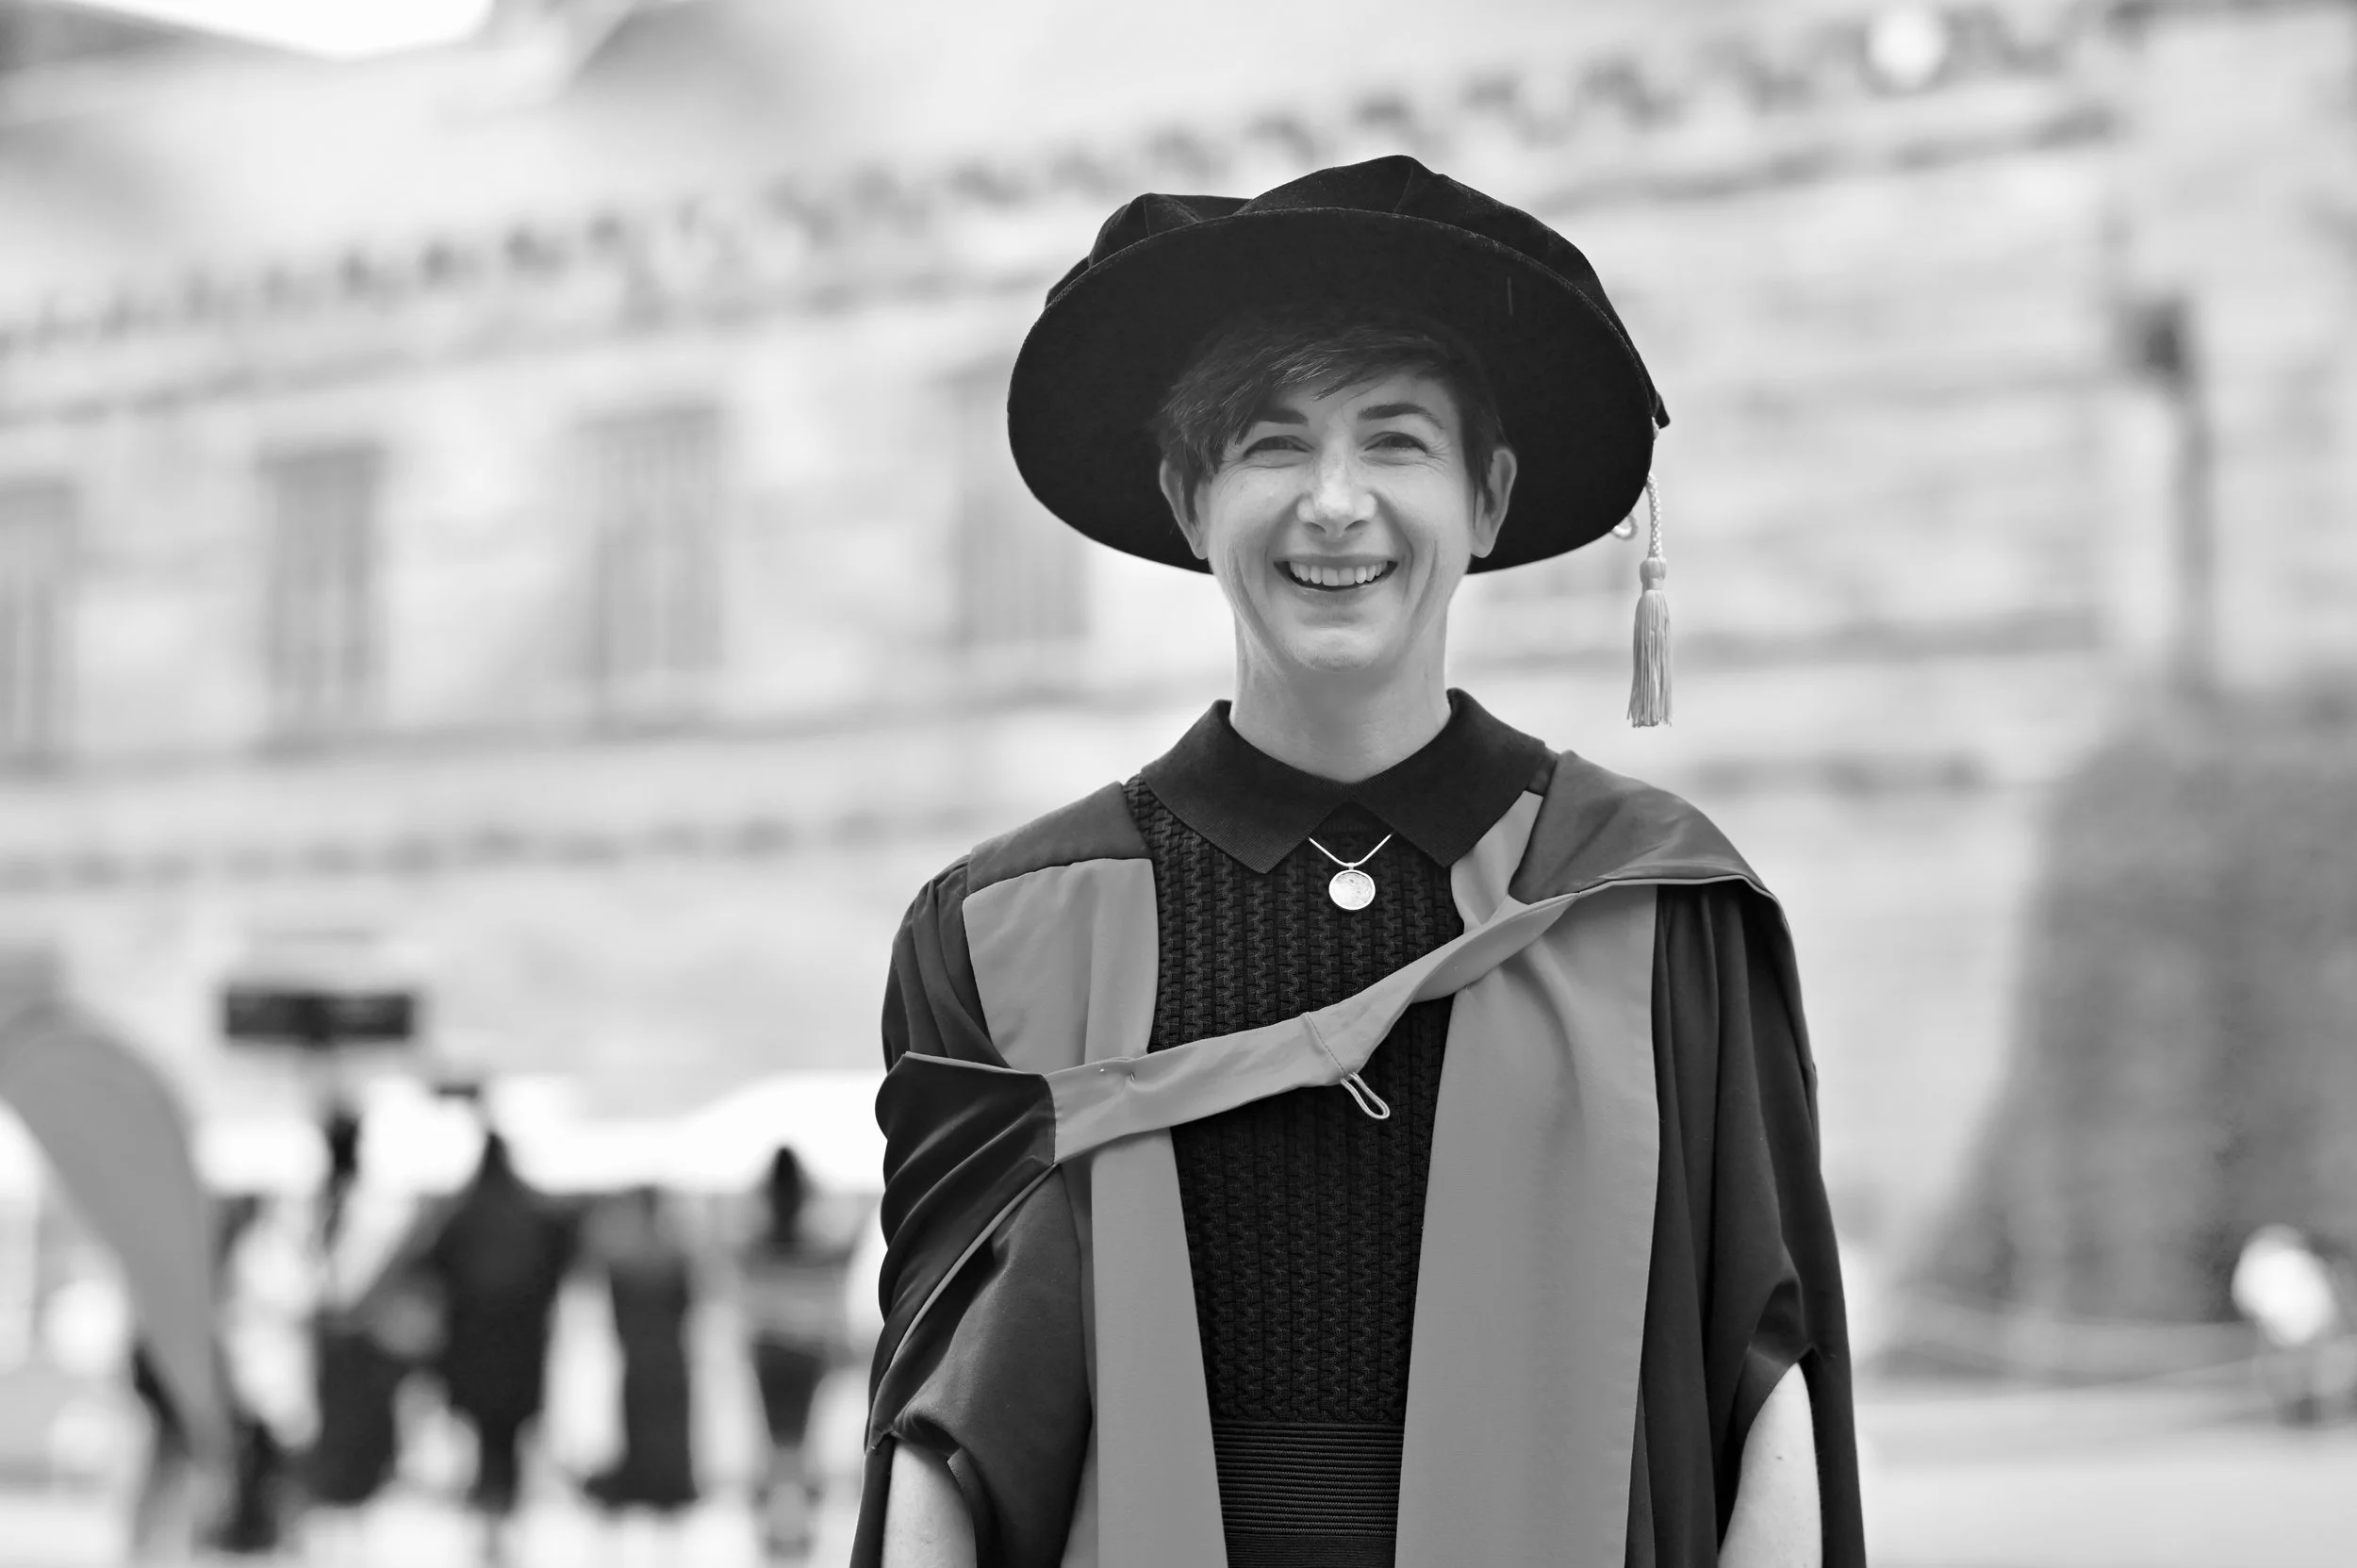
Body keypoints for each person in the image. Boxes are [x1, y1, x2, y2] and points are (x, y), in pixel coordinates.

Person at [858, 157, 1863, 1568]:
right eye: (1272, 445)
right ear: (1188, 498)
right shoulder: (1010, 932)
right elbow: (950, 1420)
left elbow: (1764, 1379)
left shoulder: (1651, 907)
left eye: (1395, 441)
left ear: (1489, 498)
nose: (1336, 502)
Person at [420, 1131, 577, 1566]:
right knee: (505, 1444)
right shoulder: (530, 1214)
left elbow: (432, 1270)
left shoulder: (463, 1216)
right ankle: (503, 1527)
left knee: (489, 1443)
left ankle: (491, 1528)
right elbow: (559, 1261)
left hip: (475, 1354)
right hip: (520, 1354)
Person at [740, 1147, 846, 1560]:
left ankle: (771, 1528)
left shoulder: (756, 1237)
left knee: (772, 1441)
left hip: (769, 1346)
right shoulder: (817, 1238)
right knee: (802, 1441)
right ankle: (802, 1528)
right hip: (805, 1346)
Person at [581, 1186, 701, 1522]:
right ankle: (665, 1492)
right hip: (669, 1359)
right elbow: (686, 1308)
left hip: (639, 1359)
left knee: (643, 1433)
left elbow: (617, 1316)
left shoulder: (624, 1259)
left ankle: (646, 1488)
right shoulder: (676, 1255)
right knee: (666, 1436)